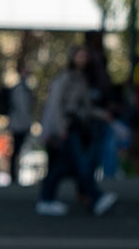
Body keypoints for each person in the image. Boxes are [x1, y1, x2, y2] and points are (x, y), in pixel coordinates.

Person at [38, 47, 119, 216]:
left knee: (63, 166)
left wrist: (103, 115)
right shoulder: (66, 78)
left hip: (74, 127)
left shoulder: (81, 79)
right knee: (78, 164)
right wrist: (58, 129)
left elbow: (86, 107)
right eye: (80, 56)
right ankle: (94, 196)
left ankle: (48, 199)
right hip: (67, 128)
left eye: (85, 56)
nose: (83, 59)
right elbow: (56, 105)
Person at [4, 74, 35, 182]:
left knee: (17, 150)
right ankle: (14, 175)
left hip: (18, 124)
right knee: (17, 150)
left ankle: (14, 174)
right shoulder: (21, 90)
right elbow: (23, 109)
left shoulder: (21, 89)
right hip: (19, 125)